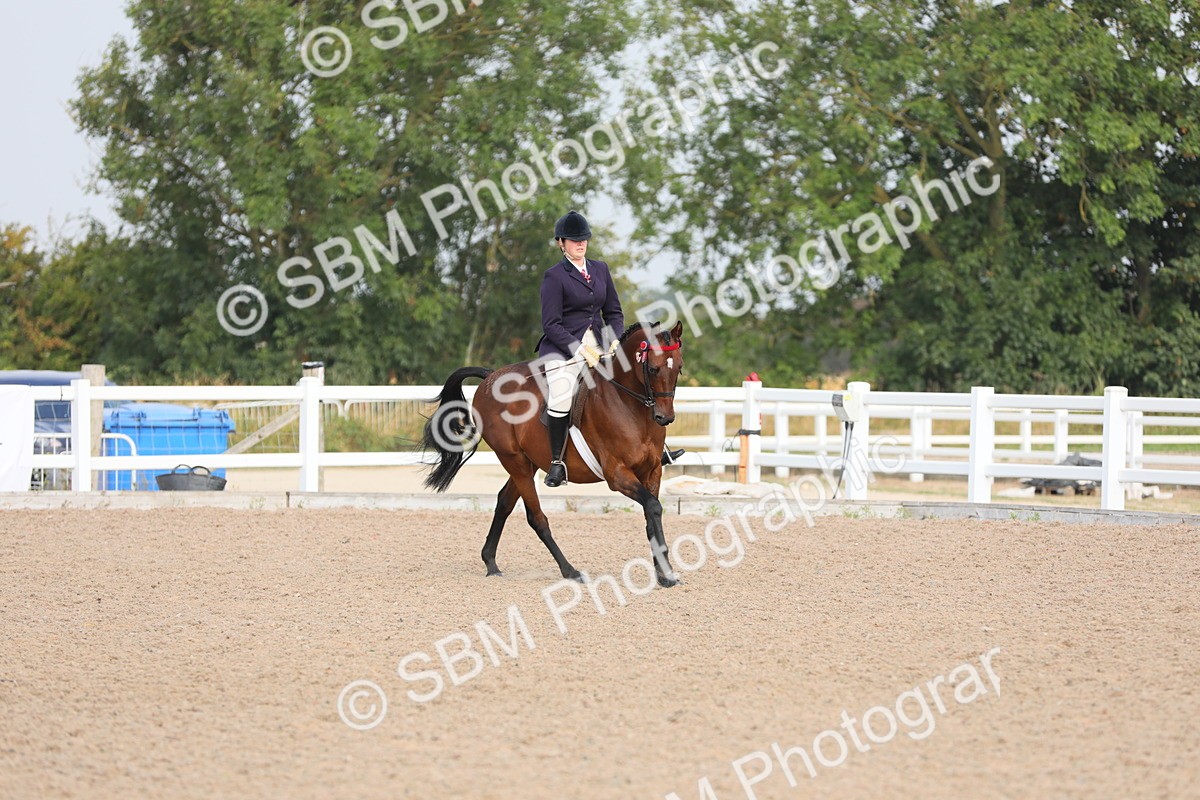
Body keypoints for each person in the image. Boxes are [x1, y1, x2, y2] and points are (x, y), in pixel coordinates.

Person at [535, 210, 683, 487]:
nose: (580, 244)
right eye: (573, 240)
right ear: (561, 243)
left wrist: (613, 339)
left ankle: (656, 450)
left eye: (584, 240)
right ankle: (556, 463)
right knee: (561, 396)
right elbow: (551, 324)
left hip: (601, 343)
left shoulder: (600, 269)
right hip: (563, 348)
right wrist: (580, 349)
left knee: (638, 381)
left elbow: (613, 311)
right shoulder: (554, 276)